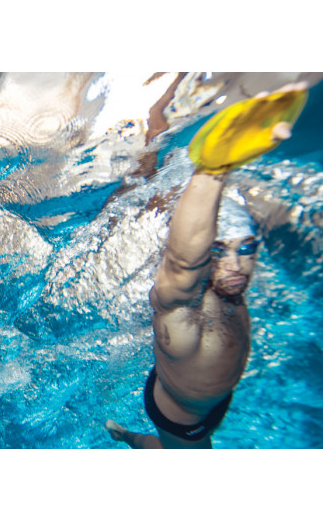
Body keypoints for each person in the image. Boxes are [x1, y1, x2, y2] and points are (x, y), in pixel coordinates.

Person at [105, 84, 305, 449]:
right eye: (219, 252)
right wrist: (213, 170)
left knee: (157, 198)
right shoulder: (180, 316)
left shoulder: (228, 278)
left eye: (246, 248)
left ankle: (161, 114)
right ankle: (127, 436)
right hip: (183, 418)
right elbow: (184, 264)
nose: (236, 265)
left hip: (208, 395)